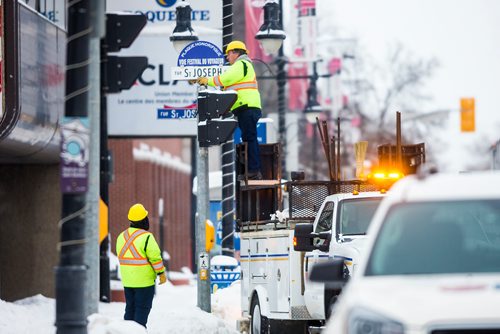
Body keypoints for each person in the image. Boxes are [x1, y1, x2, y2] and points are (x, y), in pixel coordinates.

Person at [196, 40, 263, 180]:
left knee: (249, 138)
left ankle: (254, 170)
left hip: (247, 107)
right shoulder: (244, 65)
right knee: (249, 137)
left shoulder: (241, 64)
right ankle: (253, 169)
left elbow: (226, 79)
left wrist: (206, 81)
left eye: (228, 54)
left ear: (235, 52)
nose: (227, 57)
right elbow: (230, 83)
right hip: (247, 107)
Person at [116, 203, 167, 328]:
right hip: (144, 283)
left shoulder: (121, 237)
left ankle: (126, 331)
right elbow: (155, 258)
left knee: (130, 310)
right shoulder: (147, 237)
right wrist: (161, 274)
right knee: (141, 312)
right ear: (144, 220)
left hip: (128, 282)